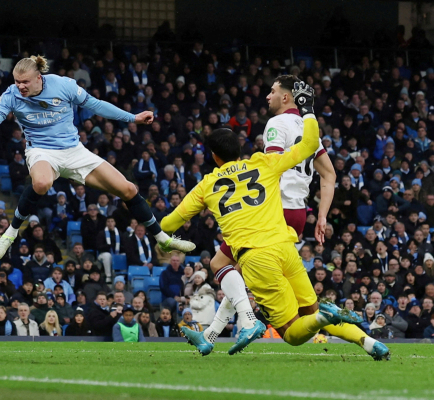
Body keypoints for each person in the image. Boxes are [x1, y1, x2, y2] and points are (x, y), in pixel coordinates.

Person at [162, 82, 379, 357]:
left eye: (273, 91)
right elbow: (327, 171)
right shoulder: (275, 149)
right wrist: (321, 213)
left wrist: (165, 240)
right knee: (272, 289)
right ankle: (369, 342)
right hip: (295, 216)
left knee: (224, 265)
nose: (268, 95)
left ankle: (248, 321)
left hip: (273, 211)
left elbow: (168, 224)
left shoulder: (273, 126)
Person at [0, 55, 195, 260]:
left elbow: (96, 105)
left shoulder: (64, 85)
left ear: (38, 78)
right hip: (42, 151)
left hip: (74, 151)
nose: (20, 86)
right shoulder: (10, 95)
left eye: (25, 82)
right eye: (16, 81)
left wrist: (132, 118)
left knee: (129, 189)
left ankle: (162, 239)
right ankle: (10, 234)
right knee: (42, 183)